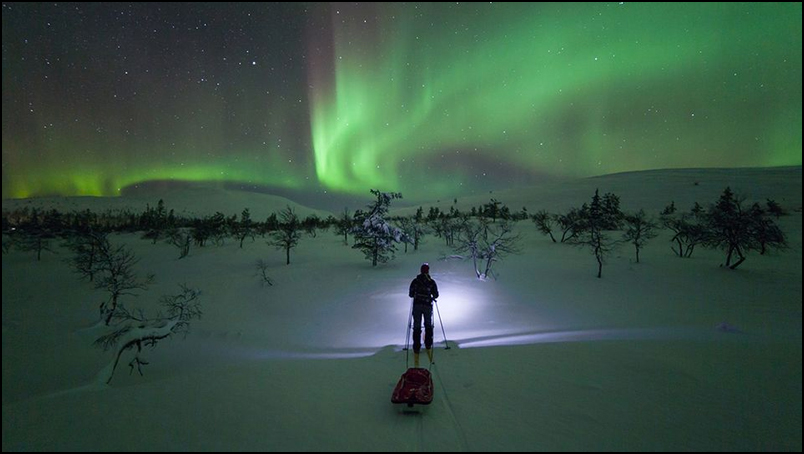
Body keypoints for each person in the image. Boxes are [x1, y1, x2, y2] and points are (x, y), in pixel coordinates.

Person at [408, 263, 439, 367]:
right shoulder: (431, 281)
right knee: (428, 325)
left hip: (417, 306)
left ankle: (416, 347)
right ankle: (428, 344)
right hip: (427, 306)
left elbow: (411, 294)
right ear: (428, 271)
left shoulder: (415, 281)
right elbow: (436, 295)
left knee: (417, 326)